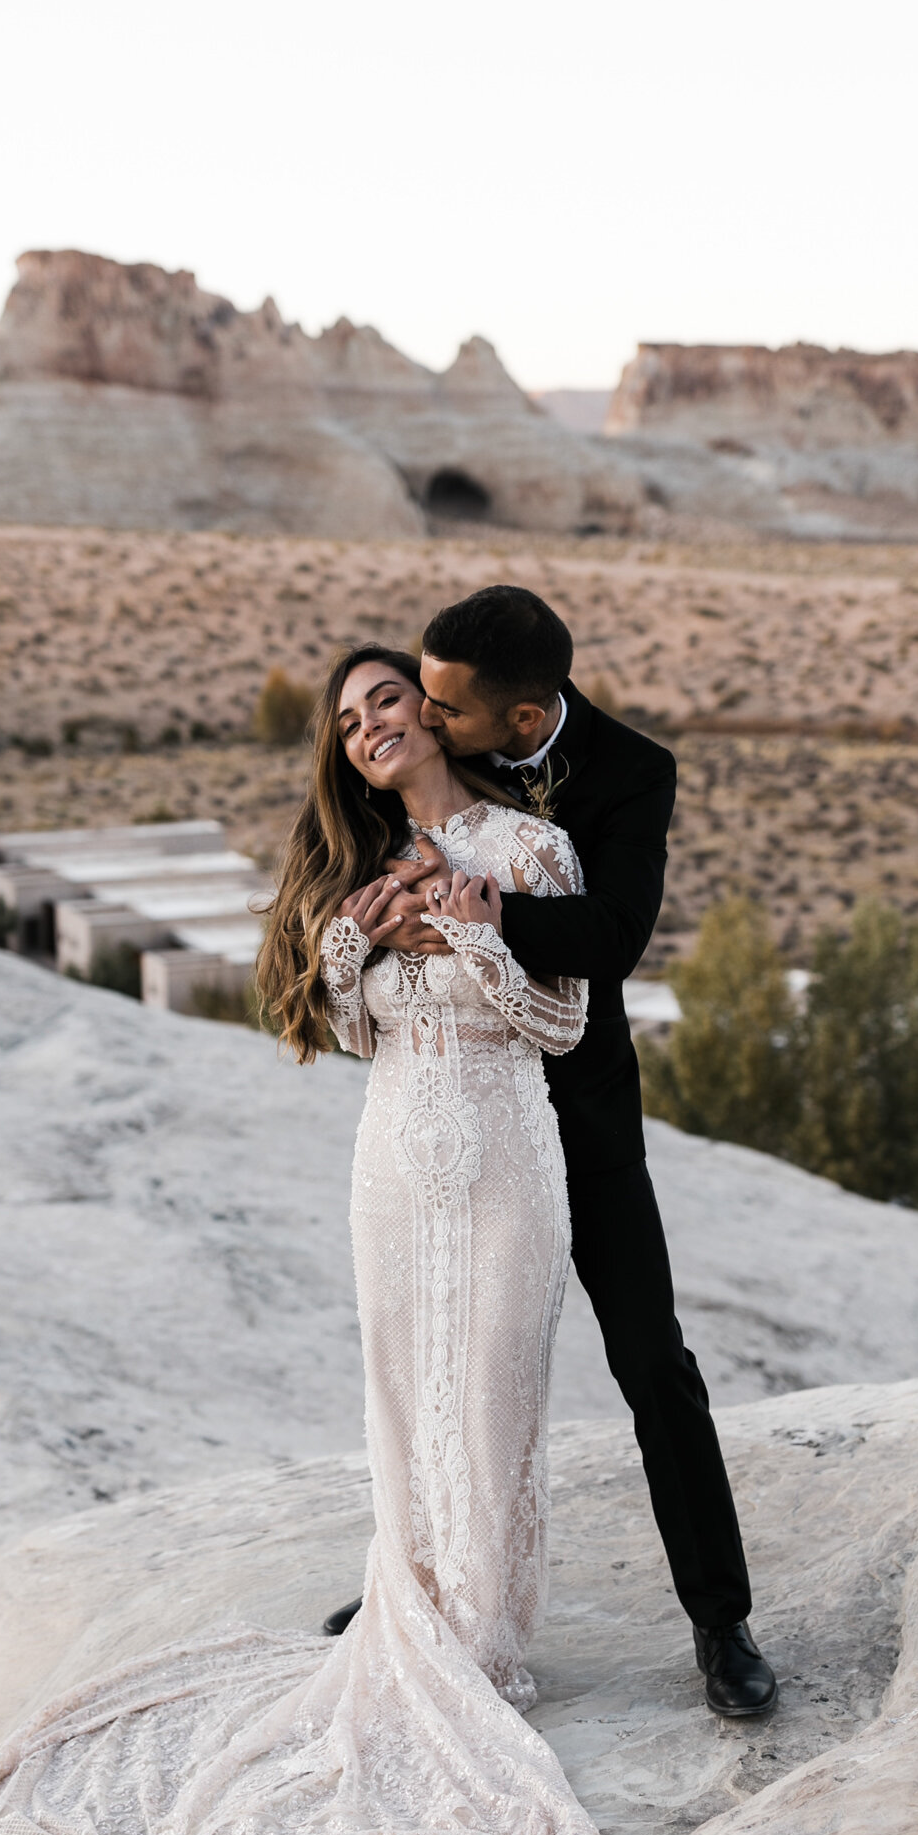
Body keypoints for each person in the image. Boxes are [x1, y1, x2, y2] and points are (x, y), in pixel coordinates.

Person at [0, 645, 602, 1835]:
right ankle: (425, 1623)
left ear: (432, 716)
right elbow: (335, 1029)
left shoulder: (530, 844)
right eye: (348, 720)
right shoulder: (351, 862)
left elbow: (565, 1027)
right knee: (403, 1395)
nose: (372, 727)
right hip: (397, 1155)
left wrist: (469, 932)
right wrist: (352, 941)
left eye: (389, 703)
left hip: (507, 1152)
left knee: (497, 1388)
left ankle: (485, 1640)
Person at [321, 587, 776, 1720]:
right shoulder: (413, 786)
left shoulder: (630, 771)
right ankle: (421, 1587)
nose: (416, 719)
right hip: (454, 1115)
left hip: (574, 1113)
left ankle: (720, 1623)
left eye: (438, 708)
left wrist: (477, 918)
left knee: (649, 1357)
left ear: (519, 723)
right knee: (428, 1350)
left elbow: (614, 937)